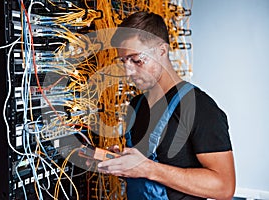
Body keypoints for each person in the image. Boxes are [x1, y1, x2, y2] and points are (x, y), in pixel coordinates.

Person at [97, 11, 236, 200]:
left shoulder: (199, 107)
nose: (128, 71)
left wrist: (148, 169)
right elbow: (143, 169)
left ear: (162, 51)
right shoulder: (136, 105)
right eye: (124, 61)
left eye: (137, 60)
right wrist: (124, 164)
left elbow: (224, 187)